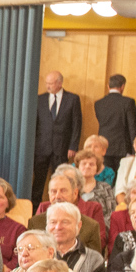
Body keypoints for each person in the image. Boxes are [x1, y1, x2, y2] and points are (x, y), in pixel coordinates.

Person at [45, 202, 107, 272]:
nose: (58, 227)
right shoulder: (35, 255)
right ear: (46, 226)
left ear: (79, 226)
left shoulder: (94, 259)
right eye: (53, 222)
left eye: (65, 222)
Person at [33, 71, 84, 203]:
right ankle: (35, 210)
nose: (48, 86)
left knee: (61, 182)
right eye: (47, 83)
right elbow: (35, 124)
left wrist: (73, 145)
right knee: (38, 183)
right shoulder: (40, 99)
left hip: (62, 148)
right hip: (41, 148)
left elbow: (76, 125)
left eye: (51, 83)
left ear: (60, 83)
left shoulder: (72, 99)